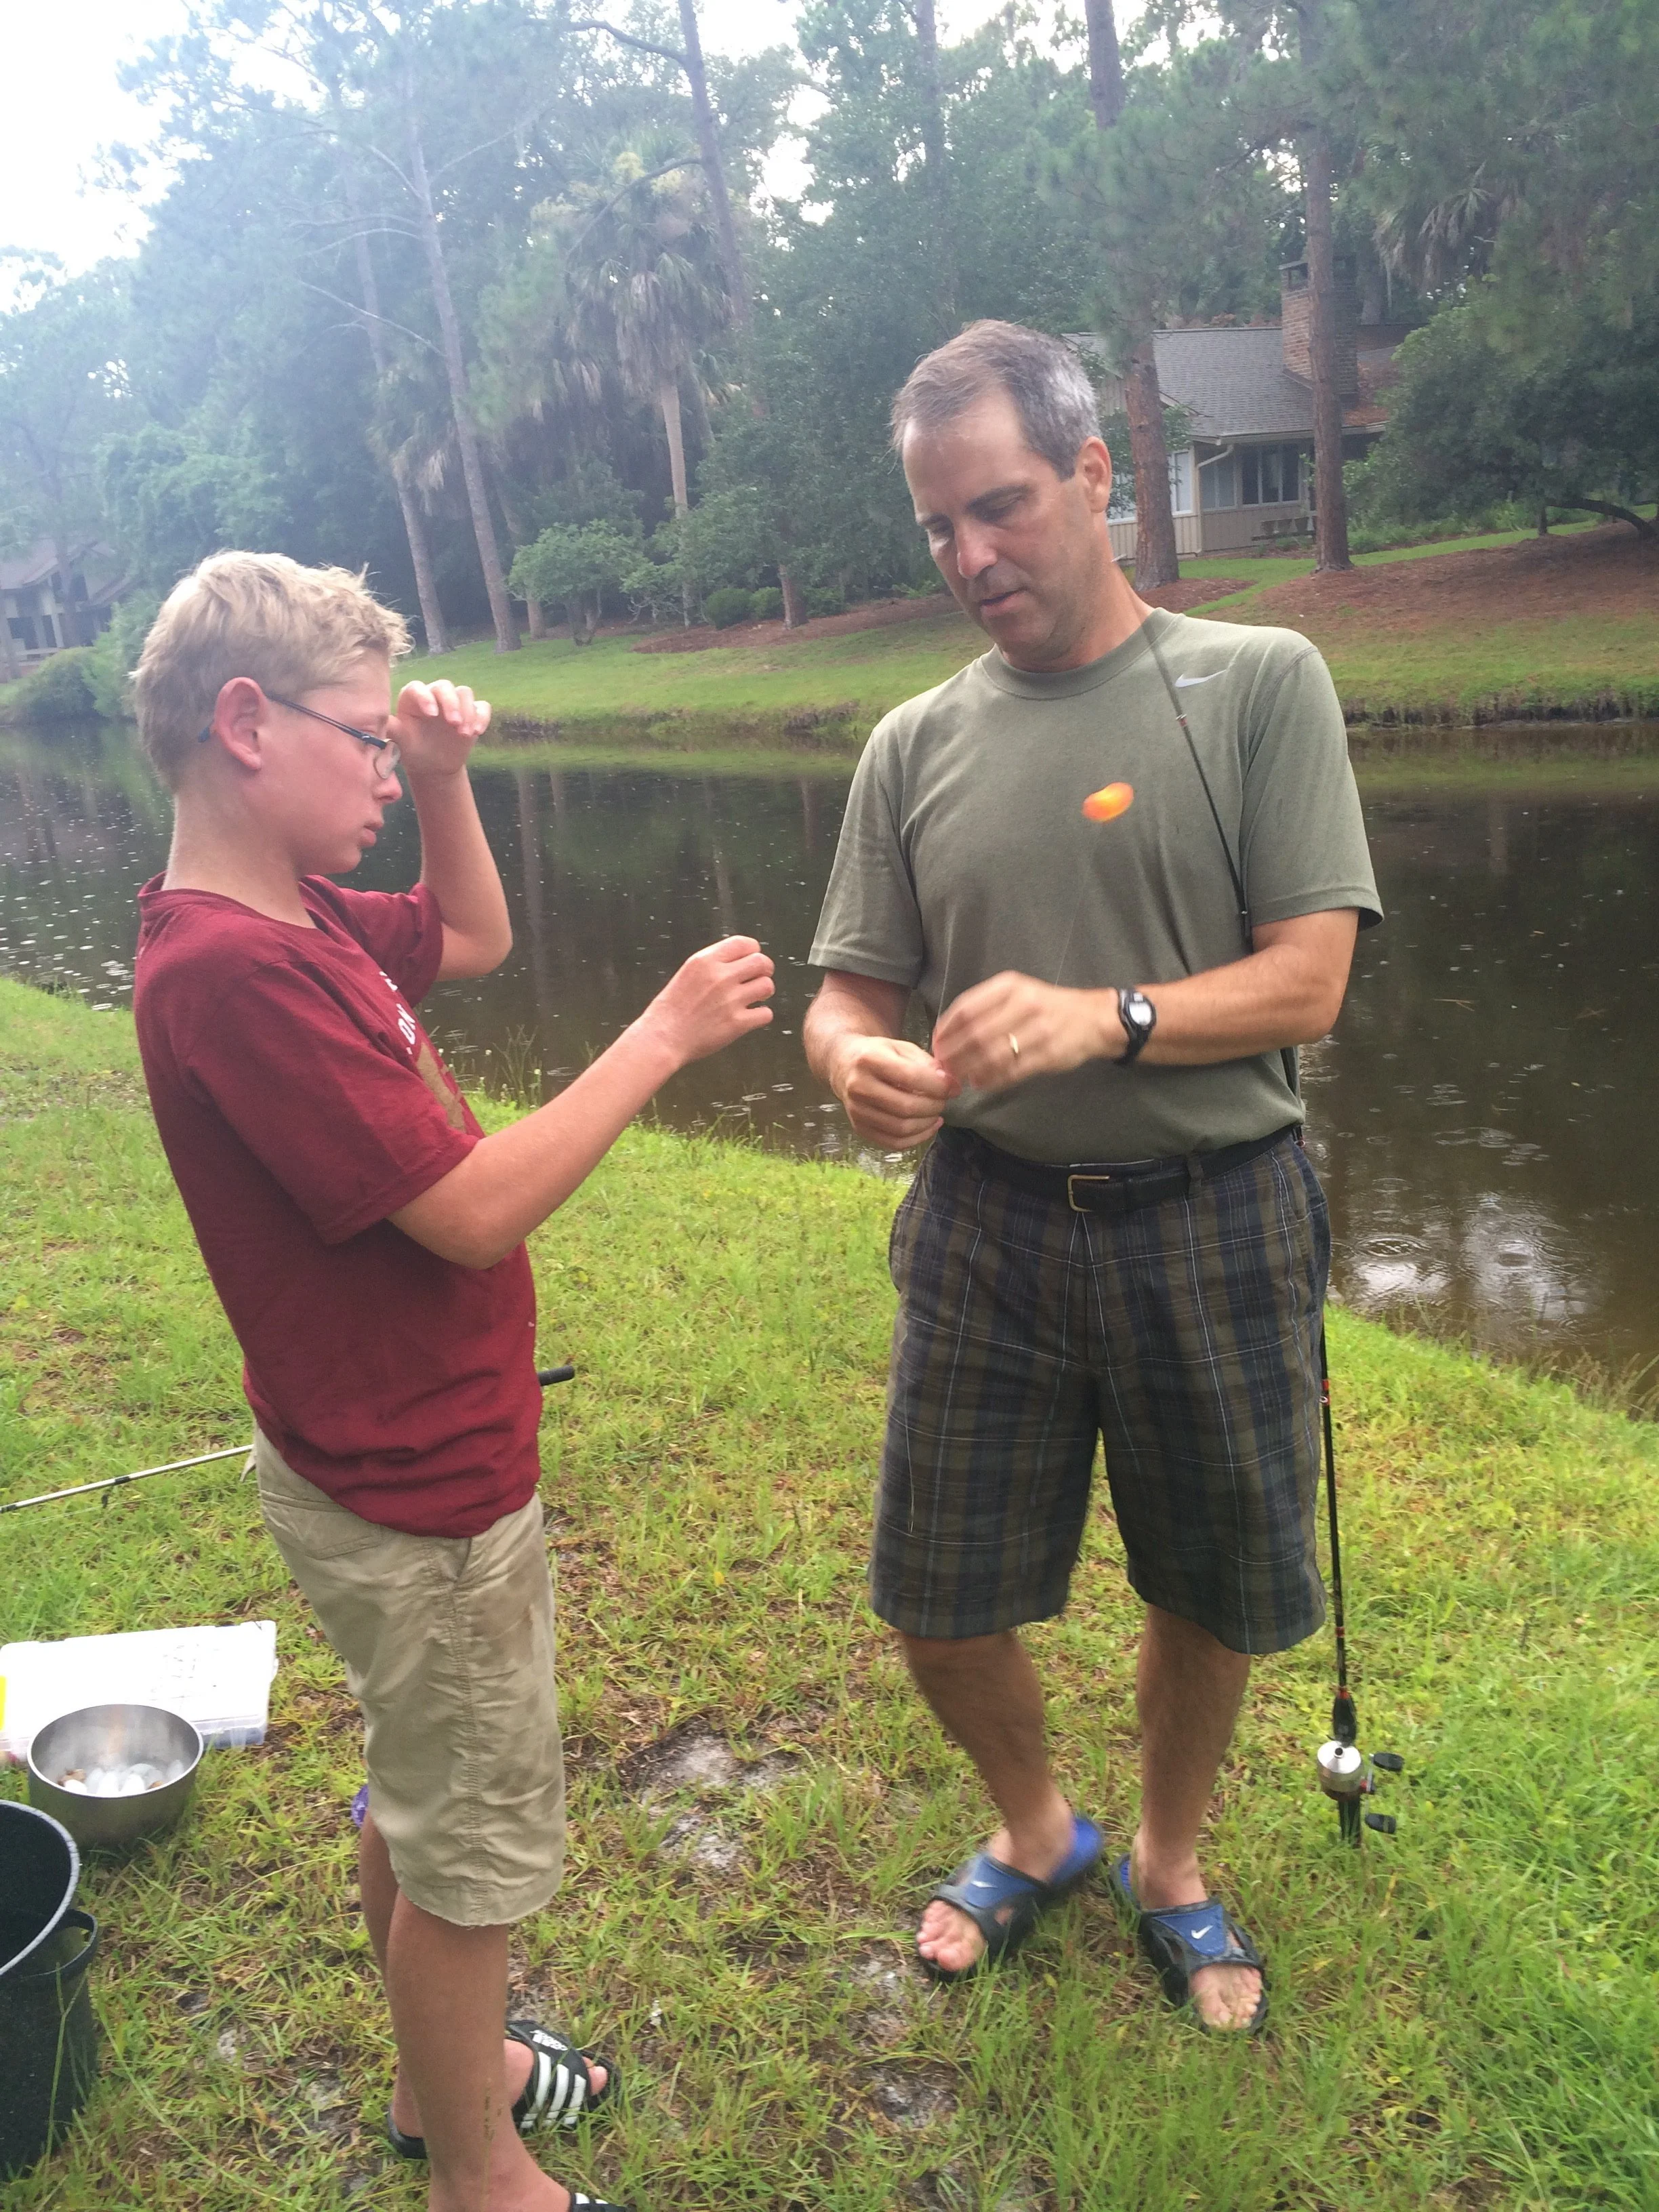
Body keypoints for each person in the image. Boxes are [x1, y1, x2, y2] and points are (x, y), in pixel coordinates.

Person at [131, 552, 774, 2211]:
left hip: (392, 1458)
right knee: (475, 1856)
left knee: (422, 1792)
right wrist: (660, 1034)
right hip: (421, 1492)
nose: (376, 774)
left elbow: (477, 933)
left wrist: (439, 777)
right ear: (247, 724)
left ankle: (454, 2081)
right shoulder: (233, 970)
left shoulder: (302, 914)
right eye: (361, 740)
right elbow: (472, 1210)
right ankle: (476, 2176)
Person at [804, 322, 1380, 2034]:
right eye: (937, 529)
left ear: (1096, 478)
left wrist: (1101, 1017)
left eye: (1000, 509)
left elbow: (1310, 983)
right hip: (984, 1225)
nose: (971, 557)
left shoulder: (1259, 680)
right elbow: (846, 989)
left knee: (1211, 1581)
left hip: (1218, 1215)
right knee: (935, 1592)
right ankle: (1041, 1829)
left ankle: (1172, 1860)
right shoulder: (911, 744)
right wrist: (855, 1066)